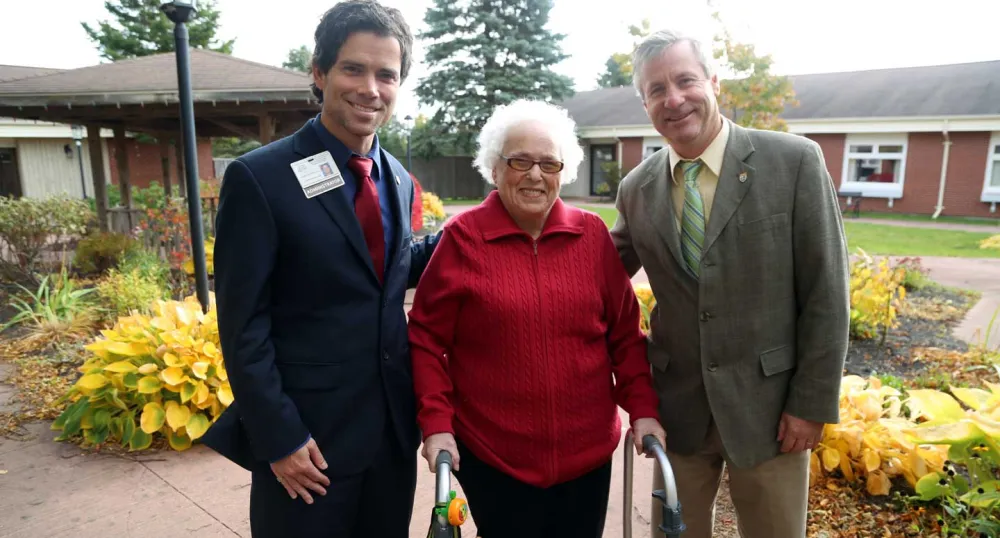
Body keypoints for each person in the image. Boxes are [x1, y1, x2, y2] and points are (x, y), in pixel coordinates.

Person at [200, 2, 440, 537]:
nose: (370, 88)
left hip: (390, 443)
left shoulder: (396, 178)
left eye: (387, 75)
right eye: (354, 69)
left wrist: (483, 230)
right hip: (308, 451)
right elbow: (243, 329)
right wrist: (278, 437)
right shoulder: (260, 178)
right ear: (319, 71)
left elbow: (391, 267)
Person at [609, 29, 850, 538]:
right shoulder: (637, 188)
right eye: (656, 90)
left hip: (771, 413)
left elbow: (827, 293)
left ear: (713, 81)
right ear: (644, 102)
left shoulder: (794, 162)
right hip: (680, 412)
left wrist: (810, 404)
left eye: (685, 80)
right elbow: (599, 274)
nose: (673, 99)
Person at [407, 99, 668, 538]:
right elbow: (426, 339)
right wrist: (436, 425)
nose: (534, 174)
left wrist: (642, 408)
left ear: (563, 172)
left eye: (548, 163)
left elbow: (624, 334)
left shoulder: (592, 236)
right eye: (519, 160)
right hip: (495, 458)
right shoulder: (463, 238)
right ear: (494, 167)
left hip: (587, 458)